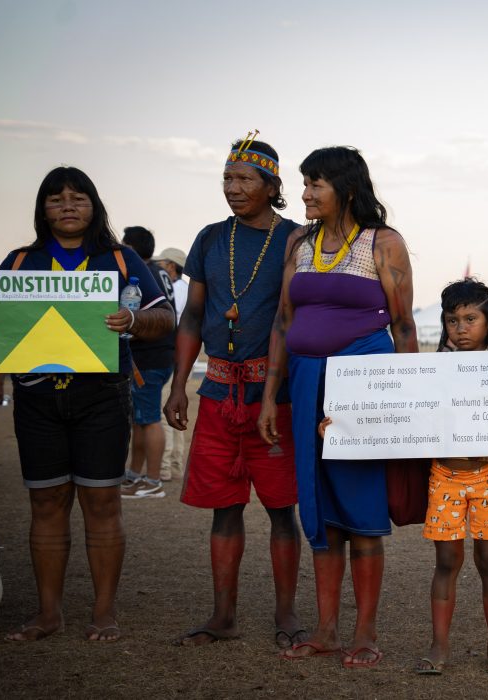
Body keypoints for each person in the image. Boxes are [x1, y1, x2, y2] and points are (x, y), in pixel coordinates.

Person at [0, 166, 174, 642]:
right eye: (56, 199)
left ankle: (104, 612)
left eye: (78, 197)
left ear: (94, 205)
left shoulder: (120, 258)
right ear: (42, 209)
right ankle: (48, 614)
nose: (68, 205)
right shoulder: (17, 263)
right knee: (46, 502)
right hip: (35, 398)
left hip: (101, 396)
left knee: (101, 500)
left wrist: (132, 319)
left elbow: (165, 319)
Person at [258, 145, 418, 666]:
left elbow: (404, 326)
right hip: (305, 383)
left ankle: (365, 634)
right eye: (305, 184)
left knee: (363, 510)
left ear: (345, 188)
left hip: (364, 386)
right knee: (321, 512)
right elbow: (283, 322)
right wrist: (268, 397)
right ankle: (326, 629)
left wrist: (406, 401)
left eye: (315, 184)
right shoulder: (299, 244)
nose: (304, 194)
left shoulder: (383, 243)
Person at [164, 136, 307, 649]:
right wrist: (180, 386)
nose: (233, 188)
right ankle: (222, 616)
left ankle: (287, 615)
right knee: (225, 508)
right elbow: (193, 316)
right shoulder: (209, 238)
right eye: (227, 178)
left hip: (276, 398)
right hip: (219, 390)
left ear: (271, 185)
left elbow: (295, 320)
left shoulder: (295, 240)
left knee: (280, 510)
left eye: (245, 178)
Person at [408, 278, 488, 676]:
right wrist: (345, 426)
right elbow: (401, 411)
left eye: (471, 318)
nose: (461, 328)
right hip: (445, 476)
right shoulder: (433, 369)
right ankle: (439, 647)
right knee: (446, 561)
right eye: (452, 320)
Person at [120, 226, 175, 499]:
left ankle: (153, 479)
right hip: (161, 355)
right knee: (140, 419)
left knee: (150, 419)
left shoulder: (142, 274)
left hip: (148, 356)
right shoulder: (160, 271)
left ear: (131, 247)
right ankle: (135, 474)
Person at [152, 247, 188, 482]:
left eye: (162, 264)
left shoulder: (172, 290)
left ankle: (163, 467)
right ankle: (175, 464)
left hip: (168, 353)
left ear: (171, 266)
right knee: (174, 411)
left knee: (163, 412)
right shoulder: (187, 289)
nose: (158, 268)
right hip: (181, 355)